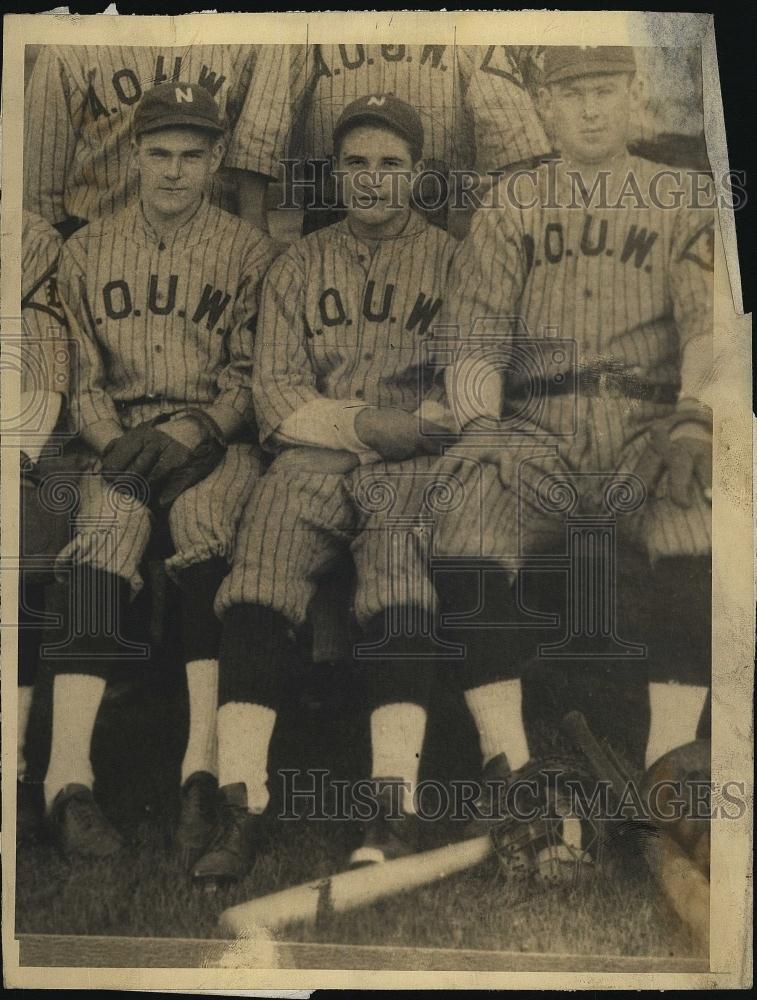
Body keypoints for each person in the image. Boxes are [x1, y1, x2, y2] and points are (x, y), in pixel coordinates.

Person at [430, 45, 713, 877]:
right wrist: (480, 424)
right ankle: (511, 768)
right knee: (465, 516)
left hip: (645, 421)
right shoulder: (510, 201)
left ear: (633, 99)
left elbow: (708, 331)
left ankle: (669, 768)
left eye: (605, 91)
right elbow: (475, 332)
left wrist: (695, 421)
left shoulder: (683, 196)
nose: (589, 110)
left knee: (694, 517)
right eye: (571, 94)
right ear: (543, 107)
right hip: (537, 424)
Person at [189, 94, 468, 885]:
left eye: (390, 164)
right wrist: (360, 425)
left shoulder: (456, 262)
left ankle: (396, 801)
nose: (373, 180)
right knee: (261, 564)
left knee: (396, 569)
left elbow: (476, 378)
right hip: (317, 449)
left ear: (417, 174)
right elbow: (275, 394)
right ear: (334, 173)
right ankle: (244, 802)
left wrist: (415, 427)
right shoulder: (298, 263)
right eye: (357, 164)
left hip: (412, 455)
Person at [45, 82, 279, 863]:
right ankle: (67, 779)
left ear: (216, 159)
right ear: (134, 154)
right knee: (107, 530)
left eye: (191, 155)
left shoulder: (250, 251)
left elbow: (256, 372)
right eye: (158, 154)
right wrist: (112, 440)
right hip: (120, 438)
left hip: (212, 437)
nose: (173, 171)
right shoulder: (85, 249)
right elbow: (77, 375)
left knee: (204, 524)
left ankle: (201, 769)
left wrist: (199, 426)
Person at [283, 43, 551, 235]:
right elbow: (265, 128)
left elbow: (514, 139)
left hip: (428, 205)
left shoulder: (465, 29)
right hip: (332, 206)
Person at [24, 44, 289, 235]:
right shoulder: (70, 43)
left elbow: (254, 148)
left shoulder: (245, 33)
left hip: (207, 246)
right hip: (94, 236)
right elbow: (39, 190)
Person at [17, 211, 70, 841]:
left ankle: (16, 767)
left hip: (13, 445)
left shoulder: (30, 239)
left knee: (20, 530)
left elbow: (45, 375)